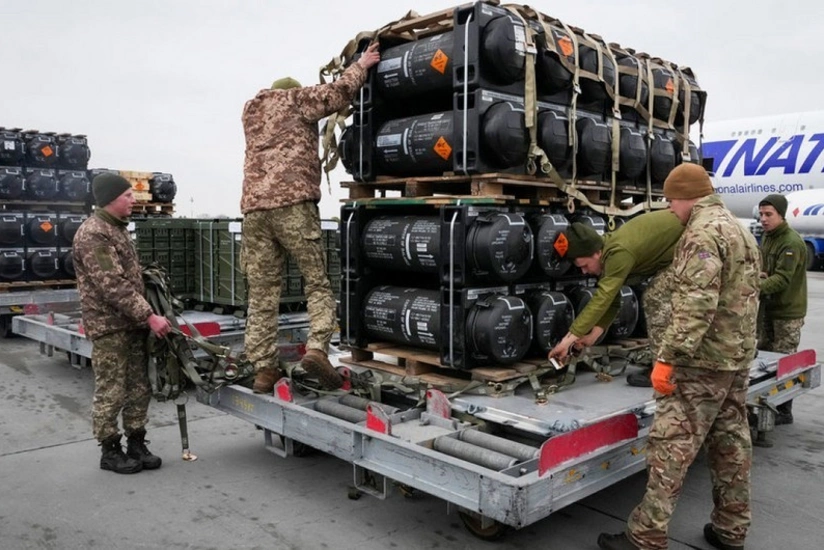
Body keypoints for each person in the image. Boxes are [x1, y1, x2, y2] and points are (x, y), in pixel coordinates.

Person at [597, 163, 761, 550]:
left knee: (671, 446)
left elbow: (696, 303)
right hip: (735, 358)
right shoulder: (740, 229)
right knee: (731, 444)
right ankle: (731, 529)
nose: (670, 209)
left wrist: (668, 357)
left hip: (699, 363)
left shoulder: (701, 232)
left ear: (687, 196)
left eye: (671, 201)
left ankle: (645, 537)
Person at [241, 42, 380, 394]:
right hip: (293, 206)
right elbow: (337, 93)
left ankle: (263, 370)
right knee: (316, 282)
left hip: (254, 211)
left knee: (262, 294)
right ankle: (317, 348)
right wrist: (361, 65)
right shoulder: (296, 100)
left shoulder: (251, 112)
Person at [73, 173, 172, 474]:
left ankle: (136, 442)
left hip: (131, 323)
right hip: (110, 326)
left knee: (139, 386)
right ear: (110, 199)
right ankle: (110, 449)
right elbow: (112, 284)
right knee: (112, 389)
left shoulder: (117, 229)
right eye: (128, 195)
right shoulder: (94, 234)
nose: (133, 200)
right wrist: (149, 316)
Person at [548, 209, 684, 387]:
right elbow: (612, 301)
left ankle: (666, 371)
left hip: (693, 242)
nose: (584, 271)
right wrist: (592, 337)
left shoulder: (618, 253)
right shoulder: (608, 252)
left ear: (596, 253)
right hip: (679, 249)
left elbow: (602, 299)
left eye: (584, 265)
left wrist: (567, 341)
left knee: (656, 298)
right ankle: (668, 364)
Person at [757, 194, 807, 426]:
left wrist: (753, 287)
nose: (763, 219)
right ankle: (766, 404)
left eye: (769, 214)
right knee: (764, 360)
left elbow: (782, 279)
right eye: (761, 214)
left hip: (787, 313)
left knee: (784, 362)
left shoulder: (790, 242)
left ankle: (784, 410)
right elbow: (768, 270)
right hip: (769, 308)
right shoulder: (768, 237)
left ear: (781, 215)